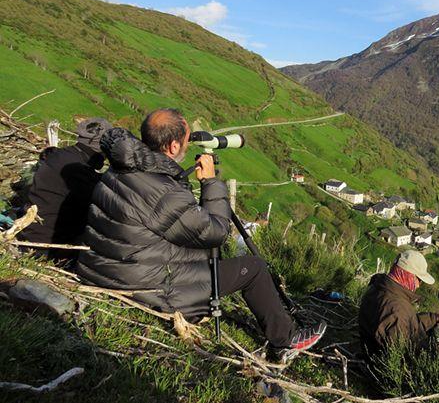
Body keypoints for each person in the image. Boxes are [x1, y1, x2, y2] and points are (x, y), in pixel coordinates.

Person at [76, 108, 325, 352]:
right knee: (254, 268)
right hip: (149, 288)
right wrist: (211, 183)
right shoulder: (165, 192)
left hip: (108, 270)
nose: (188, 144)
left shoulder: (121, 167)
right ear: (173, 147)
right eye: (186, 139)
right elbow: (216, 232)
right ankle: (286, 339)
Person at [18, 118, 112, 261]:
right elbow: (102, 208)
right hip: (47, 247)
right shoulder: (80, 171)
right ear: (100, 148)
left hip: (31, 234)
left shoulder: (60, 155)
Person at [358, 250, 439, 358]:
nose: (419, 285)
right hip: (381, 368)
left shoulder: (381, 288)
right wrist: (437, 351)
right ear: (408, 275)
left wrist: (436, 318)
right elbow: (403, 356)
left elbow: (406, 325)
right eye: (419, 280)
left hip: (374, 354)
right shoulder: (395, 307)